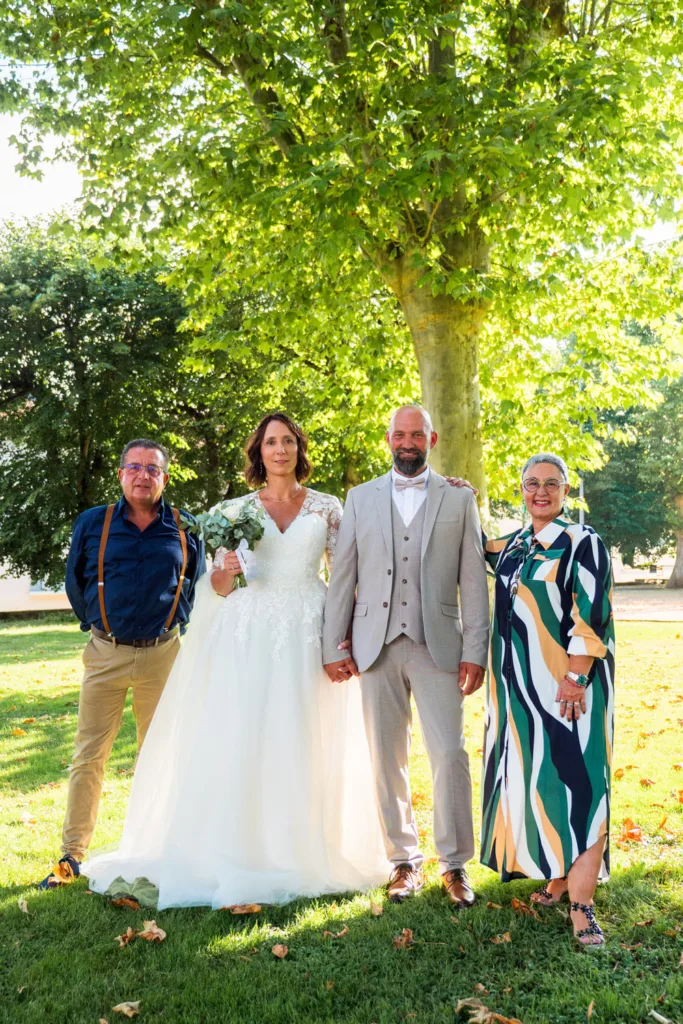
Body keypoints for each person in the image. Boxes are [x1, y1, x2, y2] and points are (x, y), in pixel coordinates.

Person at [82, 413, 388, 909]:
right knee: (248, 735)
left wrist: (343, 639)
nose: (280, 449)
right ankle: (244, 847)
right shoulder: (232, 510)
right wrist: (222, 571)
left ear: (299, 448)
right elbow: (218, 588)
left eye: (288, 440)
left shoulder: (330, 508)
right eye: (271, 442)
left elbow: (349, 573)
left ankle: (304, 846)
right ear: (259, 452)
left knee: (305, 734)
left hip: (309, 630)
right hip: (249, 635)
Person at [322, 405, 490, 907]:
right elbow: (342, 576)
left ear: (432, 438)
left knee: (450, 754)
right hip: (374, 644)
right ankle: (403, 862)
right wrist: (334, 644)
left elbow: (473, 581)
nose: (408, 441)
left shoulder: (459, 500)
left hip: (439, 644)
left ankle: (455, 865)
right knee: (385, 758)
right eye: (400, 433)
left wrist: (475, 649)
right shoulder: (359, 498)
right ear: (389, 438)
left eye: (417, 433)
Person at [39, 439, 206, 889]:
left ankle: (165, 846)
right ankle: (72, 855)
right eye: (134, 467)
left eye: (153, 469)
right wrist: (96, 621)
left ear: (164, 478)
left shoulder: (185, 526)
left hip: (164, 655)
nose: (143, 475)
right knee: (89, 756)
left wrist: (178, 619)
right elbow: (76, 580)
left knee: (162, 756)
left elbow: (196, 581)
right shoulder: (95, 522)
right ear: (121, 474)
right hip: (105, 654)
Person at [480, 453, 615, 947]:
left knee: (582, 788)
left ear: (565, 491)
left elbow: (592, 612)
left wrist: (576, 677)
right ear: (521, 489)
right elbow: (472, 545)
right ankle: (558, 877)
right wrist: (455, 492)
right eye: (532, 484)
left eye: (551, 485)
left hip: (568, 692)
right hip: (519, 696)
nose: (541, 492)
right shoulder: (513, 545)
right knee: (545, 784)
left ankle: (583, 908)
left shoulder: (582, 543)